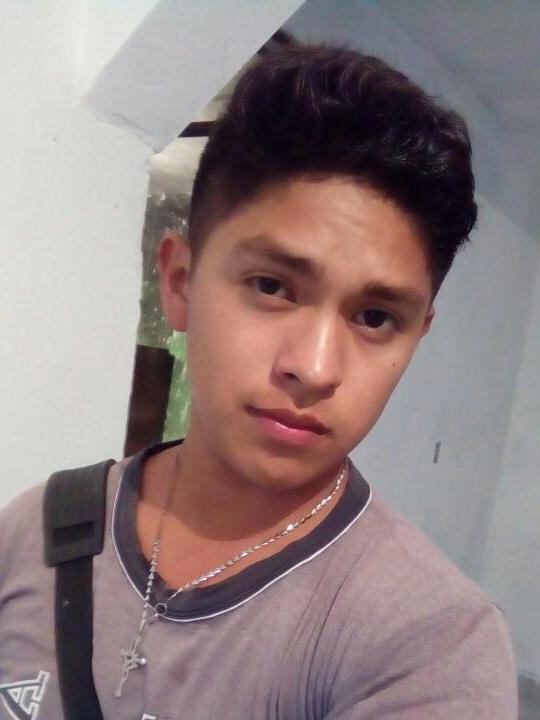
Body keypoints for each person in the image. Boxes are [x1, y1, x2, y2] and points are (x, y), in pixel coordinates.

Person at [0, 42, 517, 719]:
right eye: (272, 286)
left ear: (416, 336)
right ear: (180, 284)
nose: (315, 367)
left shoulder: (430, 646)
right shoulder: (37, 530)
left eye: (375, 317)